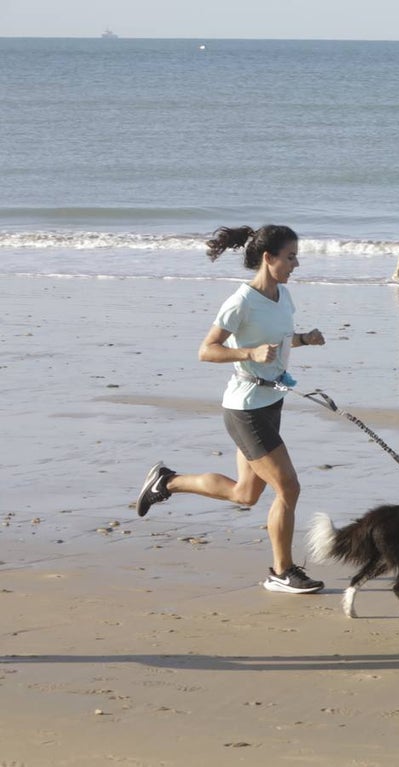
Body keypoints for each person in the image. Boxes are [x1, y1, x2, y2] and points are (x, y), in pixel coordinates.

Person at [134, 224, 327, 595]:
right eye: (290, 257)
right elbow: (207, 350)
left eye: (296, 256)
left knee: (245, 494)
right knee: (288, 488)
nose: (296, 264)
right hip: (246, 411)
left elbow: (278, 342)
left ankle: (166, 481)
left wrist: (303, 339)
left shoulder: (283, 296)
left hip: (271, 402)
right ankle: (282, 572)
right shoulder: (241, 301)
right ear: (268, 258)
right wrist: (248, 353)